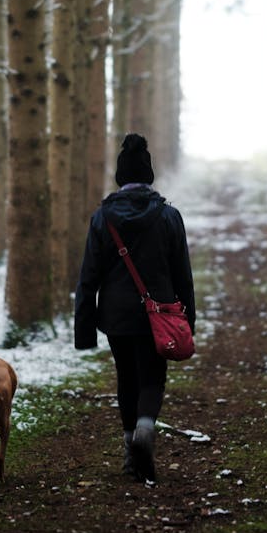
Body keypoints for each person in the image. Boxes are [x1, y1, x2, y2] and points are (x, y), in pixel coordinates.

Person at [74, 133, 196, 483]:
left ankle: (132, 453)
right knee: (152, 378)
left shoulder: (103, 218)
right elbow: (182, 275)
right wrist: (190, 320)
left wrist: (84, 330)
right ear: (149, 175)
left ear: (120, 177)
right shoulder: (169, 217)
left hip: (115, 316)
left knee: (126, 378)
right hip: (159, 315)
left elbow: (88, 276)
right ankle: (145, 429)